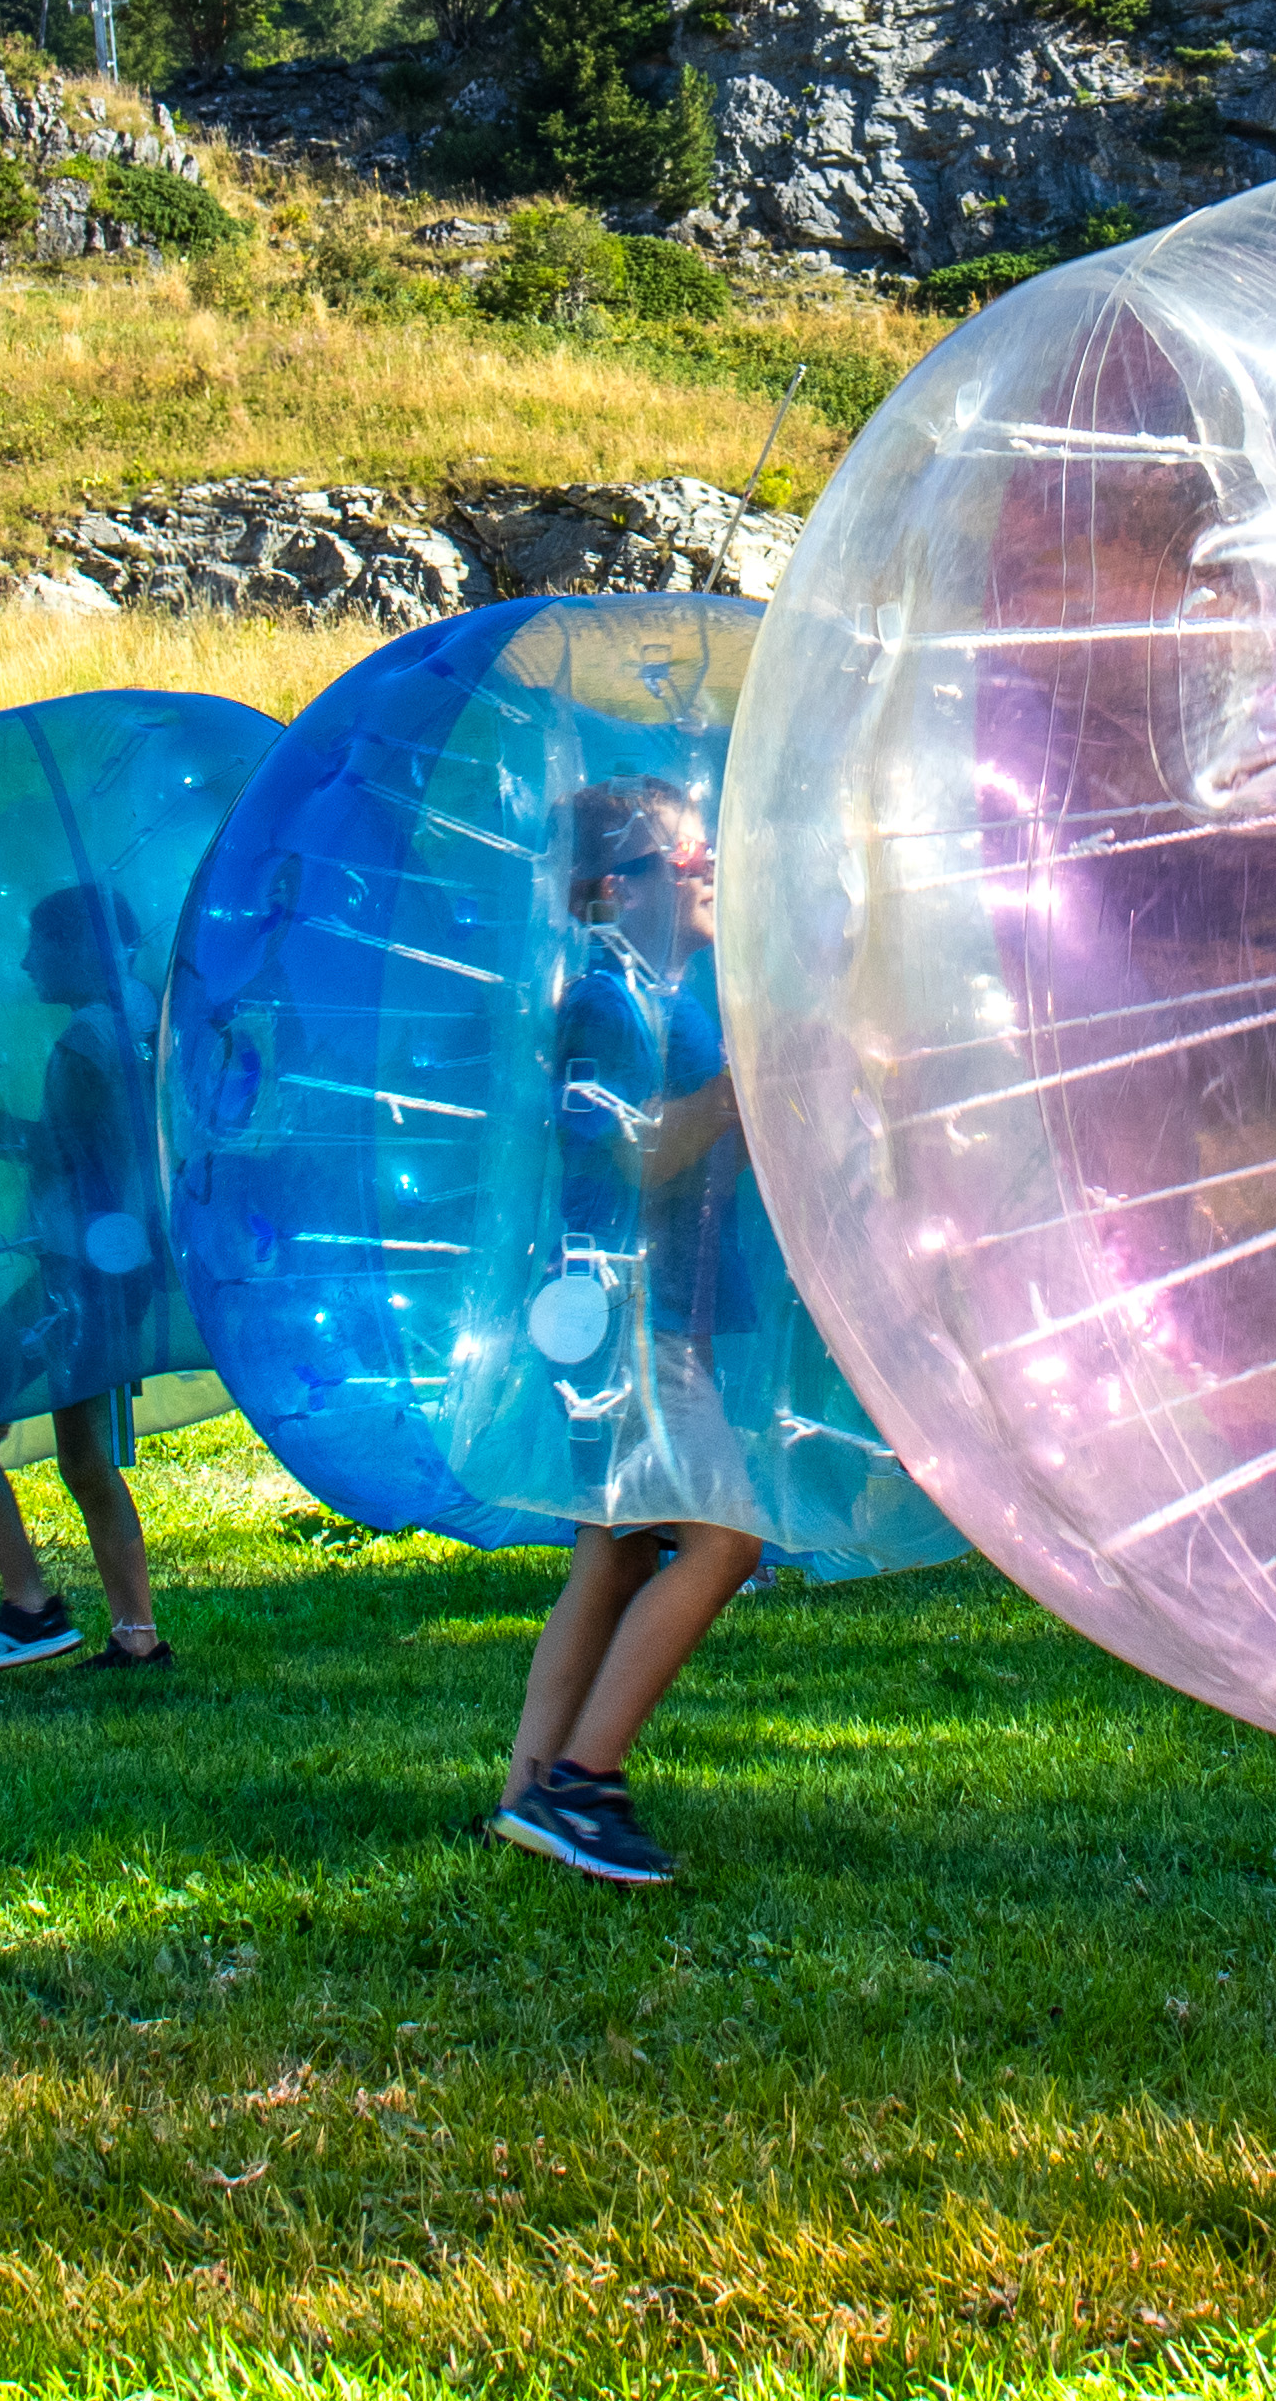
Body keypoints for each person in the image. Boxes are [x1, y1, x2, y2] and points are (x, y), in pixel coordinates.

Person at [488, 781, 760, 1887]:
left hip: (655, 1316)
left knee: (610, 1550)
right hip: (624, 1321)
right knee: (723, 1538)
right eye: (682, 857)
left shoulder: (677, 995)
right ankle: (584, 1788)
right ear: (611, 892)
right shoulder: (604, 1004)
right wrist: (749, 1089)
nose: (706, 870)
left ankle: (525, 1795)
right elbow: (634, 1155)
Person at [0, 884, 176, 1678]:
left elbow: (83, 1160)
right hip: (117, 1268)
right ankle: (137, 1636)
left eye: (41, 943)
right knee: (85, 1457)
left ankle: (31, 1609)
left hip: (79, 1274)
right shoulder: (139, 1018)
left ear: (82, 949)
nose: (27, 960)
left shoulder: (87, 1045)